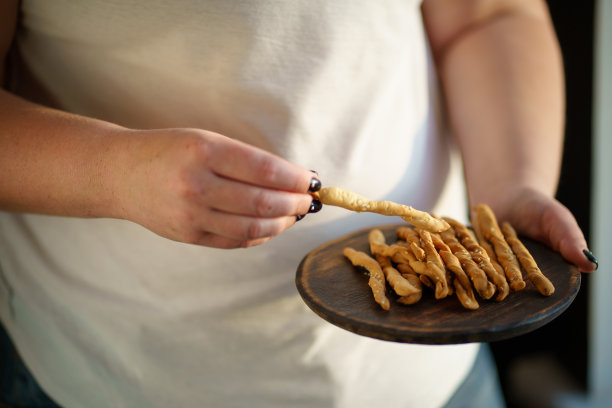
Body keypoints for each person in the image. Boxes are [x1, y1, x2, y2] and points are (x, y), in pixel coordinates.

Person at [0, 0, 597, 407]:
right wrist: (116, 171)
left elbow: (487, 15)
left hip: (430, 368)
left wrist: (514, 184)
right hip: (119, 373)